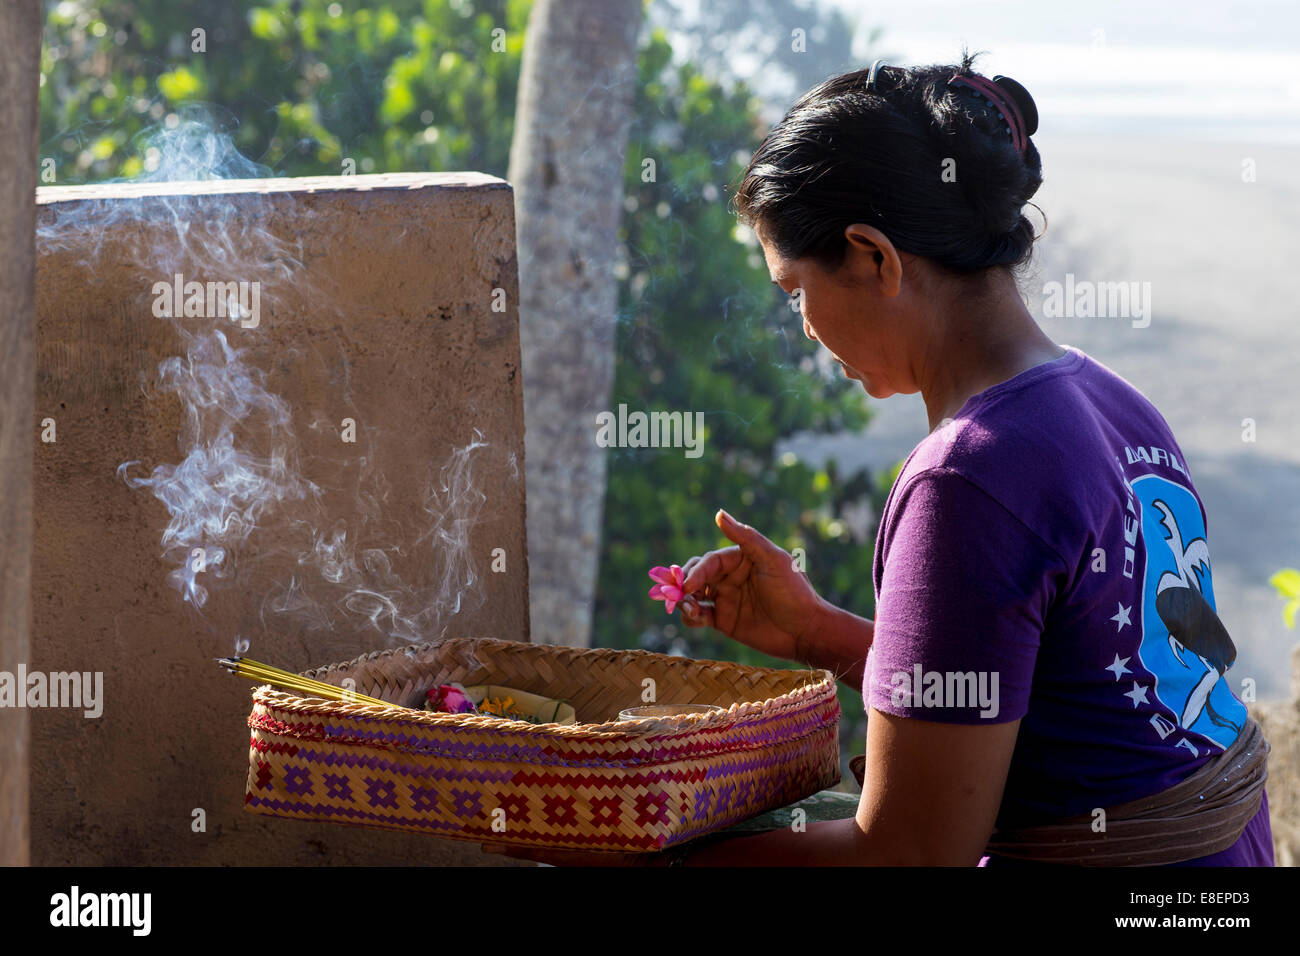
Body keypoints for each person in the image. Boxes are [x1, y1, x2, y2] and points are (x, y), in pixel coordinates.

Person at [488, 54, 1273, 867]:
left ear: (872, 258)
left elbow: (906, 854)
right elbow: (1053, 699)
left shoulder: (967, 479)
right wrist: (818, 633)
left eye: (796, 290)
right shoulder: (1113, 403)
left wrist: (637, 854)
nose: (804, 326)